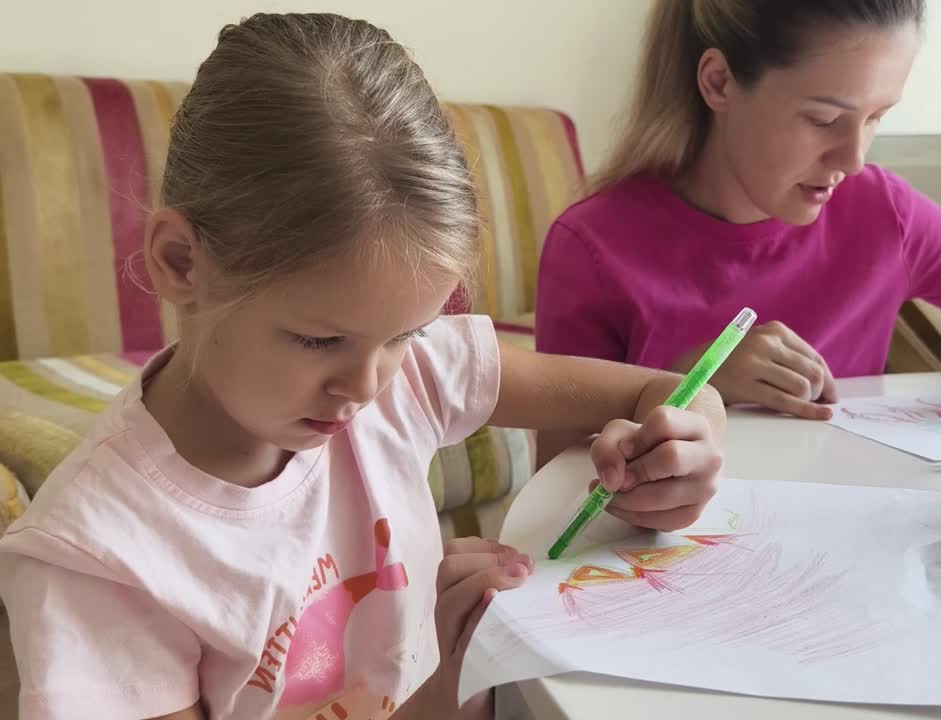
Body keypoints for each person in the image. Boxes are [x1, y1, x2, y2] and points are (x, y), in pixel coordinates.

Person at [0, 14, 724, 720]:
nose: (368, 386)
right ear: (181, 261)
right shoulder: (97, 558)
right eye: (318, 341)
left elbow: (666, 392)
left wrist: (681, 444)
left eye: (407, 333)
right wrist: (450, 690)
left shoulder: (405, 374)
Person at [535, 0, 941, 465]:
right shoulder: (593, 247)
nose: (854, 159)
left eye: (877, 117)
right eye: (824, 119)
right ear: (719, 82)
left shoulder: (884, 212)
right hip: (669, 560)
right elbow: (559, 483)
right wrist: (689, 382)